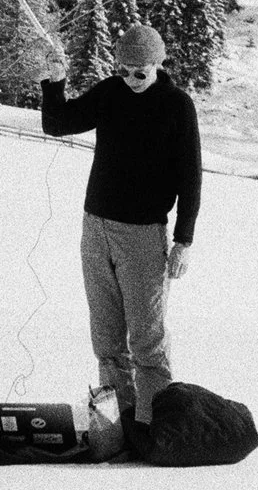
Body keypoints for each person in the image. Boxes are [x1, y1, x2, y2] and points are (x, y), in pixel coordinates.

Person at [39, 22, 202, 450]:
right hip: (96, 229)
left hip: (144, 237)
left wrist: (183, 240)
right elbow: (58, 124)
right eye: (125, 70)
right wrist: (55, 84)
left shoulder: (177, 106)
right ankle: (117, 430)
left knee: (147, 341)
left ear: (158, 65)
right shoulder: (110, 93)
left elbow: (191, 178)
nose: (131, 80)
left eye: (140, 72)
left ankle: (156, 431)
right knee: (107, 340)